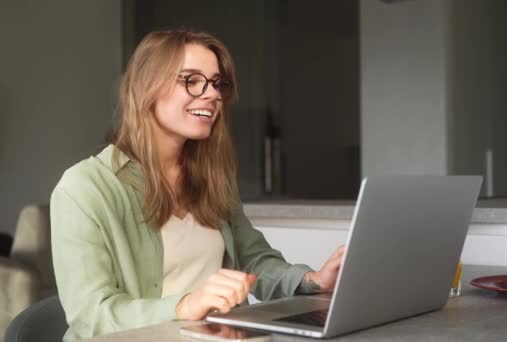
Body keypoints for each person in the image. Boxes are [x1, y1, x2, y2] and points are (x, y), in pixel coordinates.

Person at [50, 30, 344, 341]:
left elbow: (254, 260)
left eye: (216, 83)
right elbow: (92, 314)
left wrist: (313, 280)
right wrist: (186, 305)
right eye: (192, 80)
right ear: (145, 87)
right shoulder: (84, 188)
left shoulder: (212, 178)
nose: (213, 94)